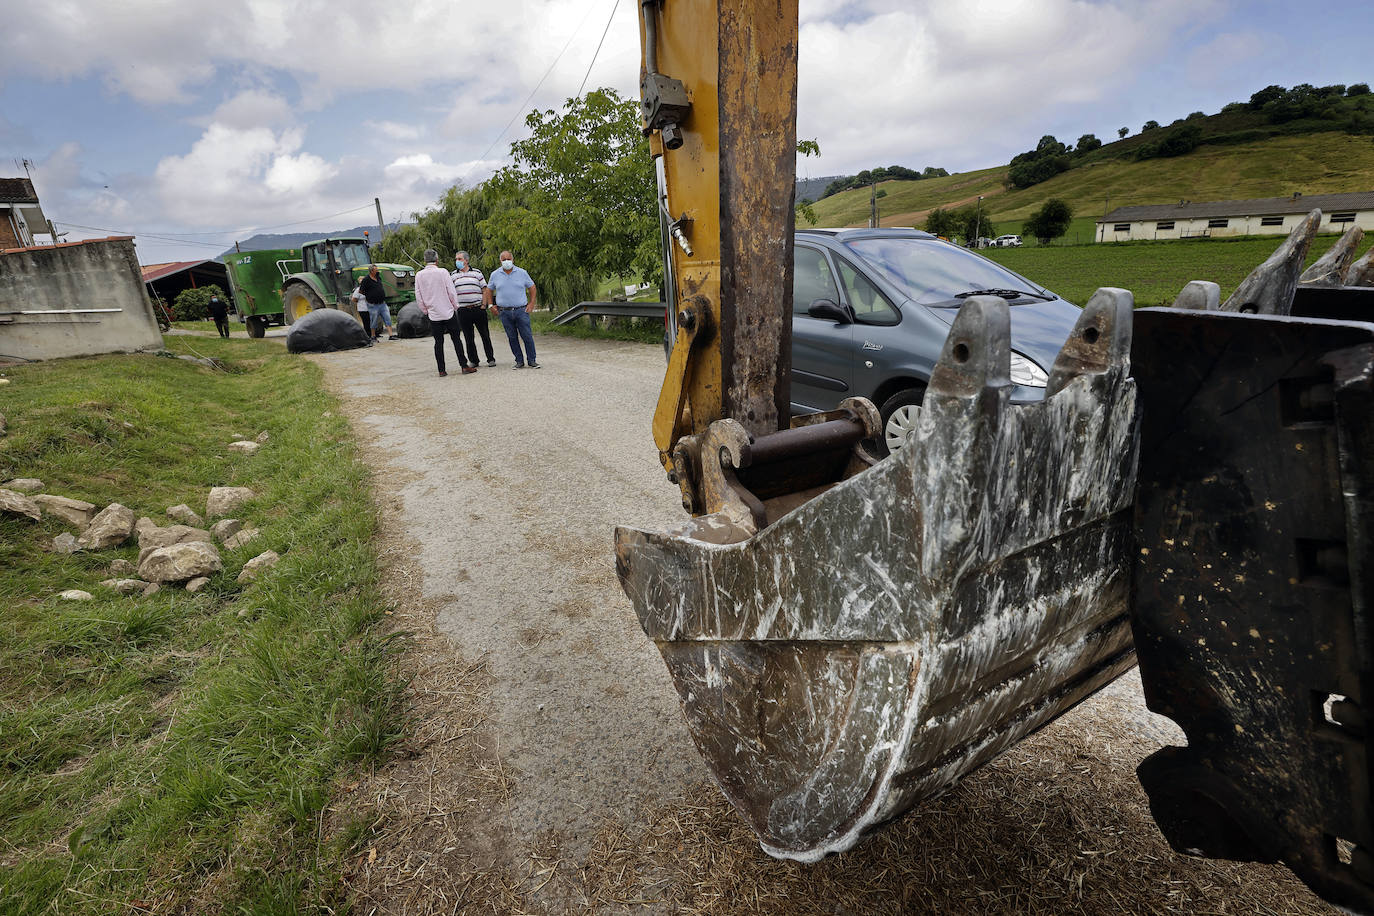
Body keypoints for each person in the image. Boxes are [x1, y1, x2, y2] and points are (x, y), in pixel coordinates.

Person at [415, 248, 472, 376]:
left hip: (433, 313)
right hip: (448, 311)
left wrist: (426, 310)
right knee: (456, 339)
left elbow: (418, 295)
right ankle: (463, 365)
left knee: (438, 342)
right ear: (437, 260)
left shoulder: (419, 275)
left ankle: (441, 370)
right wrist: (455, 306)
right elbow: (451, 290)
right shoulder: (443, 272)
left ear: (425, 260)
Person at [485, 250, 539, 369]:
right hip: (504, 311)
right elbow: (489, 290)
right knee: (512, 337)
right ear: (500, 261)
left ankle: (532, 360)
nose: (506, 262)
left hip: (521, 310)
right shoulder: (495, 274)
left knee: (527, 336)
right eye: (503, 260)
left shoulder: (522, 272)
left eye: (508, 259)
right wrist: (490, 305)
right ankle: (519, 360)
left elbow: (532, 287)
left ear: (513, 260)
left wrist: (531, 303)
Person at [452, 250, 495, 366]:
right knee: (468, 337)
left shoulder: (477, 273)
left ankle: (490, 358)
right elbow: (451, 292)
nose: (457, 261)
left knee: (485, 335)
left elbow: (484, 289)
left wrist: (483, 305)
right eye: (456, 259)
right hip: (463, 310)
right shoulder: (453, 275)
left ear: (466, 260)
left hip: (478, 308)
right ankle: (474, 360)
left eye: (459, 259)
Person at [359, 265, 398, 341]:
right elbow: (361, 291)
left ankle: (391, 335)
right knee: (374, 320)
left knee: (387, 318)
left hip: (382, 303)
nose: (377, 271)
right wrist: (369, 295)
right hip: (373, 304)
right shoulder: (366, 279)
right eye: (376, 270)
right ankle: (373, 336)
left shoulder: (378, 277)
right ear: (371, 271)